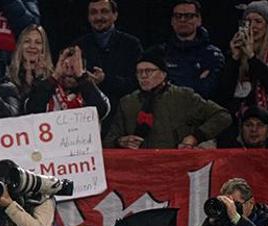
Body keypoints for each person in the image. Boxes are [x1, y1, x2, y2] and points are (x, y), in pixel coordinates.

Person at [104, 48, 232, 149]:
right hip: (140, 168)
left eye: (148, 71)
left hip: (177, 166)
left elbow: (222, 116)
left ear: (163, 74)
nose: (143, 76)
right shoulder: (128, 103)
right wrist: (120, 141)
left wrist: (195, 137)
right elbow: (108, 141)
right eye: (139, 72)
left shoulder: (183, 97)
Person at [74, 0, 142, 130]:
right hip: (86, 122)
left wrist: (105, 80)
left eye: (104, 11)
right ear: (88, 17)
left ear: (115, 15)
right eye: (93, 13)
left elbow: (137, 83)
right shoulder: (79, 46)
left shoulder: (131, 45)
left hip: (124, 120)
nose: (99, 17)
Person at [217, 1, 268, 135]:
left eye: (258, 21)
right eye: (248, 21)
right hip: (236, 127)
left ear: (267, 26)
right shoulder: (233, 55)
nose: (253, 26)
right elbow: (222, 96)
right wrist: (235, 59)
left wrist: (251, 57)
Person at [24, 45, 111, 120]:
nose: (69, 72)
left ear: (83, 69)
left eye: (74, 67)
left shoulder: (92, 91)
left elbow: (101, 111)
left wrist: (81, 76)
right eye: (65, 67)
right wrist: (55, 76)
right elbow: (31, 110)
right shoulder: (46, 89)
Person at [162, 0, 224, 99]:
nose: (182, 20)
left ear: (199, 20)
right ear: (172, 21)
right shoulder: (160, 52)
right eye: (178, 16)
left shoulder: (212, 54)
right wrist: (196, 81)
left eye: (188, 16)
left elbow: (210, 90)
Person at [200, 177, 268, 226]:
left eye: (235, 204)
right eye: (228, 203)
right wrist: (211, 221)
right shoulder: (222, 219)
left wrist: (237, 218)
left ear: (251, 203)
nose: (231, 209)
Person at [8, 24, 54, 111]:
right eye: (27, 41)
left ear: (43, 48)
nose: (32, 46)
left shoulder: (53, 78)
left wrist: (39, 79)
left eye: (38, 43)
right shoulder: (8, 76)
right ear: (20, 46)